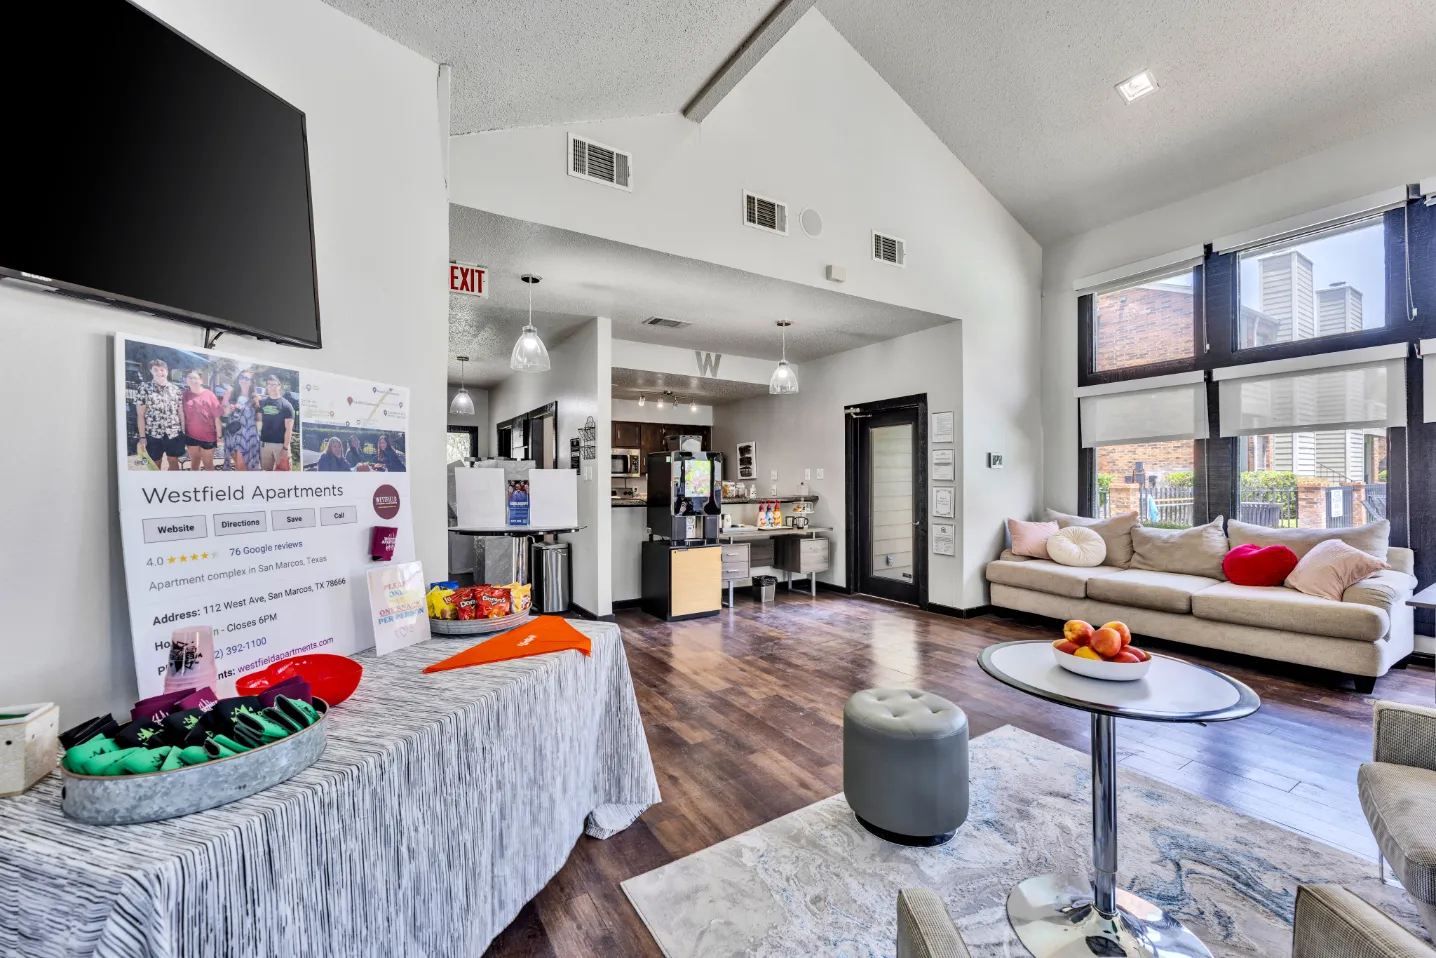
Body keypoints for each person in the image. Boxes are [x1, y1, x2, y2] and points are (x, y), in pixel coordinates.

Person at [135, 358, 185, 470]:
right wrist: (142, 437)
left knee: (174, 463)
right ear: (151, 371)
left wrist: (183, 431)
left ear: (167, 371)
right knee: (155, 464)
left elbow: (180, 412)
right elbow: (140, 415)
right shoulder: (144, 388)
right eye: (155, 370)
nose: (159, 372)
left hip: (173, 433)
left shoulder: (176, 389)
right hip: (153, 434)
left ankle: (172, 482)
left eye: (162, 370)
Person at [181, 369, 222, 471]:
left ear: (201, 380)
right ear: (186, 380)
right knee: (194, 463)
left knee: (208, 464)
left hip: (208, 437)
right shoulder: (184, 395)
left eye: (195, 378)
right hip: (190, 436)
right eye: (190, 378)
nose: (192, 380)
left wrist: (219, 436)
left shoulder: (209, 395)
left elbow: (217, 417)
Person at [221, 370, 260, 471]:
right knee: (240, 466)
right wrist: (228, 409)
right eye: (241, 377)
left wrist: (258, 404)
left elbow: (259, 419)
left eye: (247, 378)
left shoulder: (255, 397)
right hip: (233, 434)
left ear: (251, 382)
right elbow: (223, 413)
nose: (243, 380)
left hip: (248, 436)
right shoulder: (231, 393)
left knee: (241, 465)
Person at [256, 373, 295, 471]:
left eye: (274, 385)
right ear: (266, 386)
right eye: (269, 385)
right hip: (265, 445)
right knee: (266, 475)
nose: (272, 387)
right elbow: (258, 419)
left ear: (279, 386)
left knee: (283, 475)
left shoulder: (286, 405)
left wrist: (285, 448)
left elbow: (289, 430)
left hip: (280, 445)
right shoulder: (262, 402)